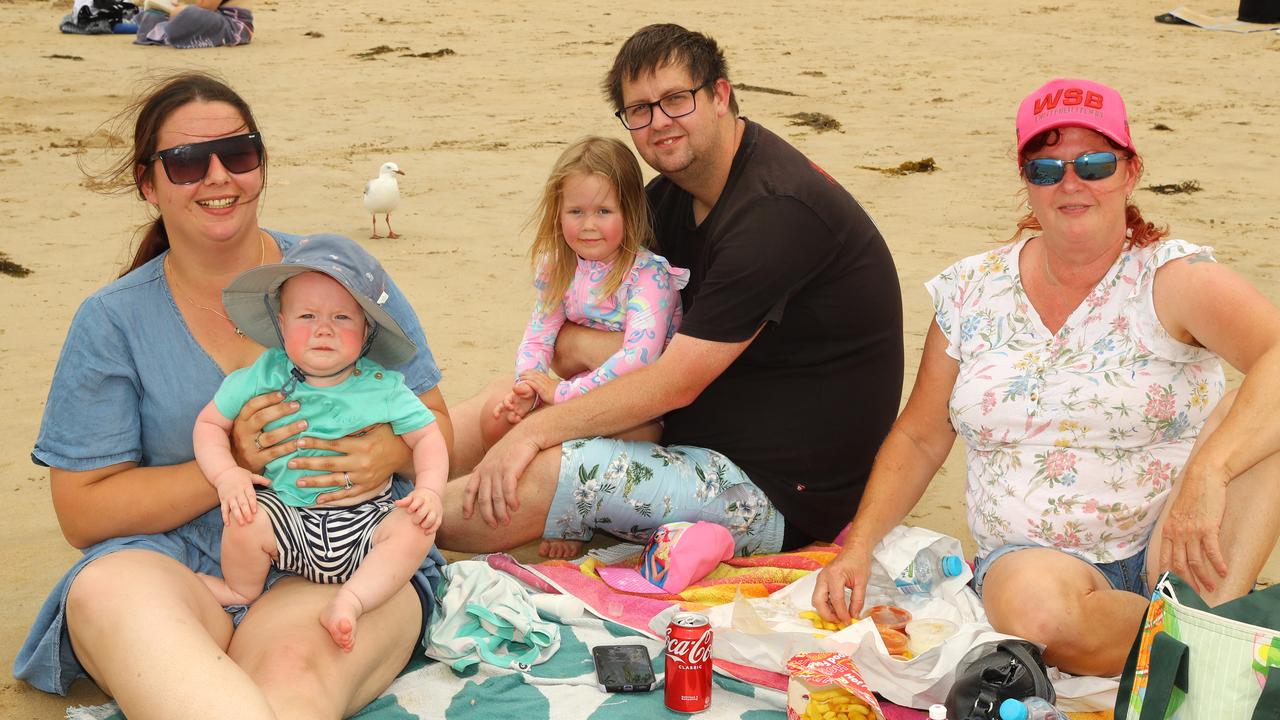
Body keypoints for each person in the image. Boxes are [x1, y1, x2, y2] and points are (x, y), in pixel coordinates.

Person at [14, 72, 451, 719]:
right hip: (168, 563)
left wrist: (387, 453)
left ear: (261, 166)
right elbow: (83, 513)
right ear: (148, 182)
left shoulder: (341, 279)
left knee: (292, 679)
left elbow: (434, 421)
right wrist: (235, 465)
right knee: (114, 601)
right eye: (187, 161)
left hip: (338, 555)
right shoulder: (112, 320)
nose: (217, 176)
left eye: (238, 154)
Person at [812, 77, 1280, 677]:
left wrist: (1211, 473)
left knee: (1263, 414)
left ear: (1130, 172)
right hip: (1036, 563)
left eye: (1094, 162)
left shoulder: (1174, 278)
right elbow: (920, 435)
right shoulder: (971, 290)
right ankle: (1202, 648)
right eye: (1046, 168)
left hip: (1179, 538)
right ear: (1025, 182)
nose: (1071, 182)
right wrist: (857, 548)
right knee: (1039, 616)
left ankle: (1186, 637)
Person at [439, 24, 903, 560]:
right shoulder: (670, 200)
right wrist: (551, 382)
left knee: (556, 466)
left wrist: (538, 431)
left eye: (676, 99)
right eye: (639, 110)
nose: (659, 122)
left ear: (720, 95)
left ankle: (380, 533)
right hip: (685, 432)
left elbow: (674, 382)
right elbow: (615, 335)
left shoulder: (774, 213)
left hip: (776, 491)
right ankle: (376, 489)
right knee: (505, 401)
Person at [194, 235, 448, 652]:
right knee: (244, 516)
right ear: (281, 322)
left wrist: (431, 491)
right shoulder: (264, 374)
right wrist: (227, 476)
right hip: (287, 519)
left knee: (415, 528)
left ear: (366, 331)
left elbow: (428, 436)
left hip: (365, 523)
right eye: (307, 315)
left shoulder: (382, 386)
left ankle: (352, 599)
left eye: (343, 318)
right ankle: (242, 589)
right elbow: (208, 424)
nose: (324, 329)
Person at [479, 136, 688, 559]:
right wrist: (528, 384)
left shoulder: (648, 276)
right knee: (496, 418)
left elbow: (640, 359)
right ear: (558, 213)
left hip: (639, 411)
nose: (588, 225)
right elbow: (540, 333)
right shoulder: (558, 265)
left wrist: (562, 395)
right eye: (576, 211)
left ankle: (576, 519)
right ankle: (518, 495)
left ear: (630, 212)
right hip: (572, 394)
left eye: (603, 211)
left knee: (588, 446)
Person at [135, 0, 252, 49]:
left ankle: (167, 32)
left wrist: (178, 6)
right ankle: (168, 32)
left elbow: (207, 6)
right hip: (215, 16)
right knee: (152, 15)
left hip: (233, 25)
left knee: (184, 13)